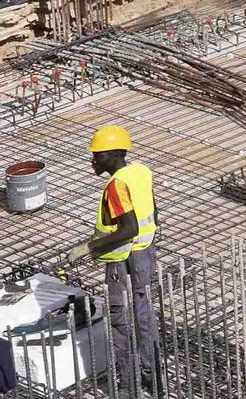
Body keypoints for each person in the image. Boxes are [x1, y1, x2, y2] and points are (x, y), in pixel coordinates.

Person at [66, 125, 160, 394]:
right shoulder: (140, 173)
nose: (94, 160)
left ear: (116, 155)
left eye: (99, 155)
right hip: (145, 252)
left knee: (120, 321)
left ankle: (129, 385)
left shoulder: (117, 185)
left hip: (123, 258)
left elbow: (129, 228)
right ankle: (152, 377)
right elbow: (153, 212)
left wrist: (88, 247)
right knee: (144, 314)